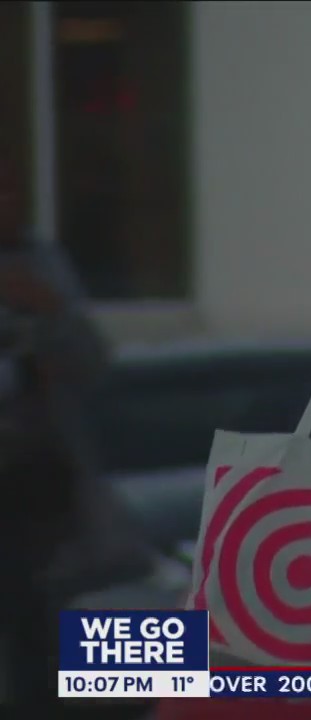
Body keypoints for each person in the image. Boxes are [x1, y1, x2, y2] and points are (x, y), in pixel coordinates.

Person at [0, 156, 116, 709]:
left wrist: (49, 311)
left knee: (47, 629)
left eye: (10, 189)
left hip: (45, 486)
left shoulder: (41, 263)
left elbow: (92, 361)